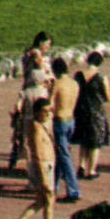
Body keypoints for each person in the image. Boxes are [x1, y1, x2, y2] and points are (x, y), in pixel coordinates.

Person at [10, 98, 56, 219]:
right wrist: (43, 178)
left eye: (49, 111)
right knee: (48, 199)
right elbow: (38, 153)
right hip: (43, 165)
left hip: (47, 164)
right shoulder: (35, 128)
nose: (48, 114)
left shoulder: (41, 125)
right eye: (45, 111)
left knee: (42, 201)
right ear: (37, 113)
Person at [12, 32, 53, 170]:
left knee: (24, 123)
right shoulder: (35, 55)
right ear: (40, 43)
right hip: (36, 92)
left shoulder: (29, 55)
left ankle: (21, 149)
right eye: (46, 44)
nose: (47, 47)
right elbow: (40, 68)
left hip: (30, 90)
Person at [74, 51, 110, 179]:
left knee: (83, 141)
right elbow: (108, 97)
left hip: (81, 111)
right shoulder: (101, 77)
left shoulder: (78, 76)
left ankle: (81, 166)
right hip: (96, 112)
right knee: (95, 142)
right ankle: (91, 170)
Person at [49, 55, 82, 203]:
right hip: (71, 120)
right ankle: (53, 186)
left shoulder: (57, 83)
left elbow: (50, 104)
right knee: (61, 155)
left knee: (64, 156)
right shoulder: (74, 83)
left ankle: (73, 189)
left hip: (60, 121)